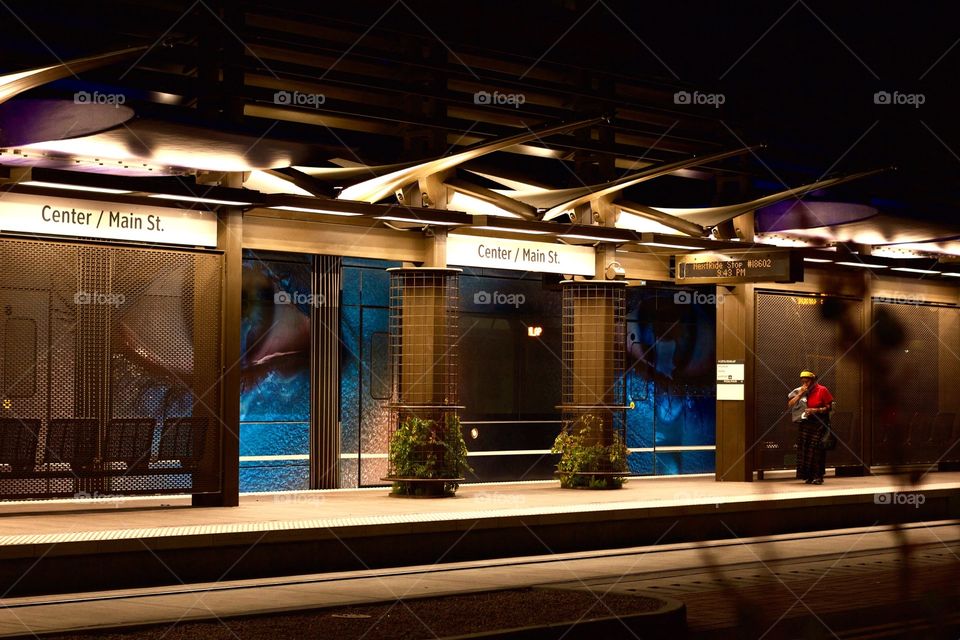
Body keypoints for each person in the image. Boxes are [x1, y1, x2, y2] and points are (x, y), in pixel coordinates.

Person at [787, 370, 834, 484]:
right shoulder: (800, 390)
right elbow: (790, 405)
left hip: (818, 423)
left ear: (813, 380)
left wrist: (815, 410)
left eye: (807, 381)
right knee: (805, 449)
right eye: (803, 381)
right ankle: (808, 475)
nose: (805, 384)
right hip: (805, 423)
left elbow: (829, 407)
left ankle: (818, 476)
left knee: (816, 450)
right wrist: (800, 394)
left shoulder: (822, 390)